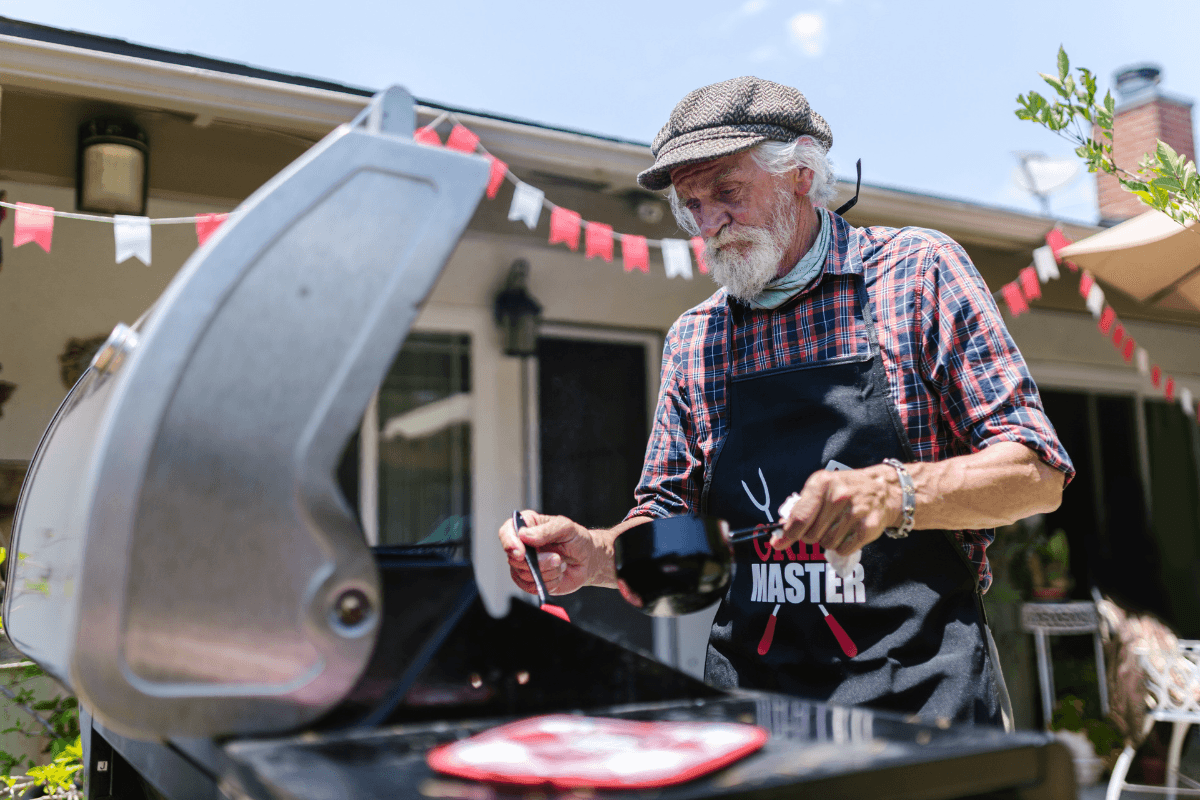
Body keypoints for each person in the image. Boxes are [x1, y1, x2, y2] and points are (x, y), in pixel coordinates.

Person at [498, 77, 1073, 726]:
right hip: (756, 715)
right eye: (693, 205)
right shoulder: (698, 337)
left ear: (801, 174)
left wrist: (893, 493)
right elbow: (670, 522)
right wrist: (598, 554)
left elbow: (1036, 474)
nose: (709, 224)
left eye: (728, 192)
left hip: (924, 704)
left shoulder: (916, 274)